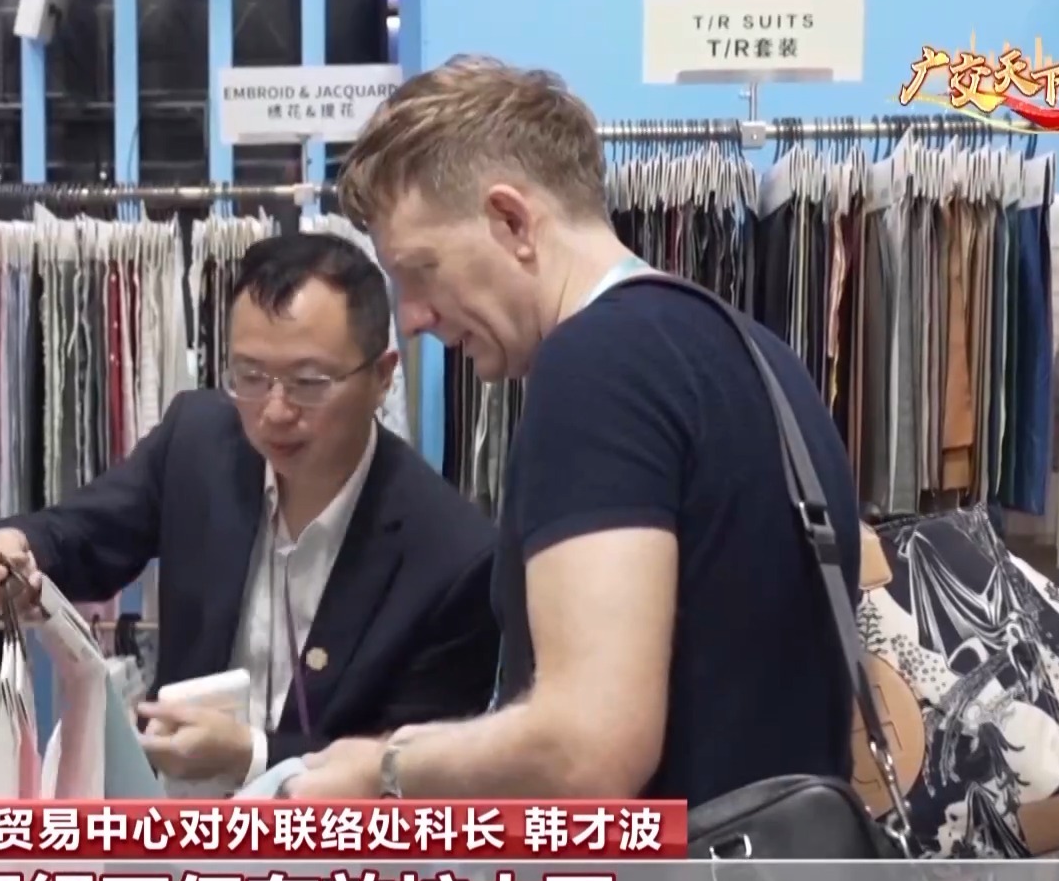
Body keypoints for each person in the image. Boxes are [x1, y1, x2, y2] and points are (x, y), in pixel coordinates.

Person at [286, 56, 862, 804]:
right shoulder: (754, 355)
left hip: (675, 880)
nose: (415, 317)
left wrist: (386, 769)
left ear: (512, 221)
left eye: (420, 271)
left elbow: (589, 747)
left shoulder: (598, 366)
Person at [0, 232, 499, 791]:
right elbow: (84, 535)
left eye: (309, 383)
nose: (275, 411)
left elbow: (419, 773)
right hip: (176, 827)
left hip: (327, 842)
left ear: (382, 377)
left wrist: (254, 755)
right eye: (250, 376)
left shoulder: (453, 557)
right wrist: (12, 550)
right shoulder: (200, 440)